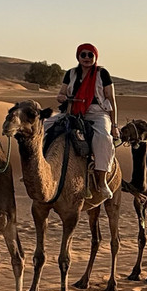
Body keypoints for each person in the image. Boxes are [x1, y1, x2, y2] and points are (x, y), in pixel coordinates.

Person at [49, 43, 119, 199]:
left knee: (103, 138)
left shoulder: (102, 73)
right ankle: (40, 168)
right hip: (72, 110)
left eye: (90, 55)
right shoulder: (71, 73)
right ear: (78, 56)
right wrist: (61, 97)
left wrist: (114, 125)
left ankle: (101, 182)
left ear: (95, 57)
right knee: (45, 125)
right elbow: (61, 93)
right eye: (83, 55)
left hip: (97, 112)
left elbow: (111, 100)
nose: (87, 58)